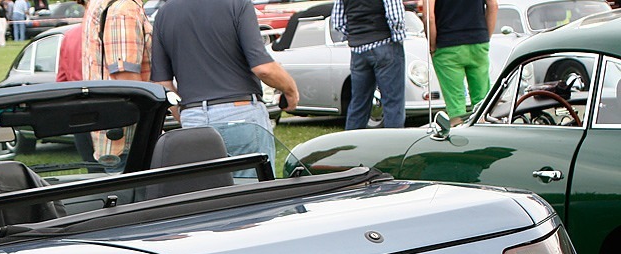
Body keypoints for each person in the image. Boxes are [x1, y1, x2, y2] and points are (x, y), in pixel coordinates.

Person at [150, 0, 298, 167]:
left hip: (193, 118)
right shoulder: (237, 4)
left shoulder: (164, 13)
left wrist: (186, 114)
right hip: (240, 114)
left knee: (208, 188)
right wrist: (291, 90)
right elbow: (263, 68)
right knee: (251, 188)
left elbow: (161, 84)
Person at [82, 0, 153, 171]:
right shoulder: (124, 10)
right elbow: (126, 77)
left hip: (117, 133)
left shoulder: (103, 4)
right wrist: (152, 124)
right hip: (129, 139)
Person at [330, 0, 406, 130]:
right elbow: (396, 17)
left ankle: (351, 145)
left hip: (358, 50)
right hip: (384, 43)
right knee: (392, 103)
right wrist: (397, 38)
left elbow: (337, 22)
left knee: (358, 103)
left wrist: (355, 36)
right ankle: (395, 146)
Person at [424, 0, 498, 120]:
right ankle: (483, 127)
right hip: (478, 41)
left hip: (447, 44)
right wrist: (485, 37)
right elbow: (493, 6)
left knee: (455, 104)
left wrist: (432, 46)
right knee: (482, 101)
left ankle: (458, 131)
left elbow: (429, 17)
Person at [57, 25, 97, 165]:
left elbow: (61, 80)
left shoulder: (70, 35)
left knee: (91, 168)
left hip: (77, 109)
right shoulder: (102, 31)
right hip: (104, 105)